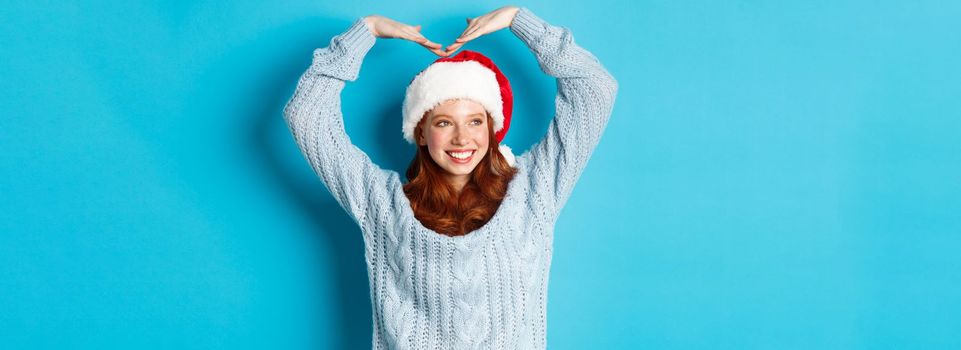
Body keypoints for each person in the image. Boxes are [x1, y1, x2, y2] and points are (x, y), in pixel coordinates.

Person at [283, 5, 617, 349]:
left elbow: (594, 89)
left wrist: (518, 20)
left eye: (475, 121)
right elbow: (306, 115)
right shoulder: (381, 202)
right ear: (422, 133)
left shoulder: (535, 189)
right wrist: (365, 32)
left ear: (492, 129)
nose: (462, 138)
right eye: (444, 122)